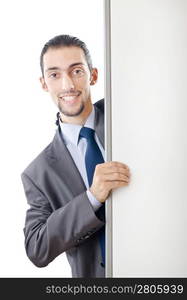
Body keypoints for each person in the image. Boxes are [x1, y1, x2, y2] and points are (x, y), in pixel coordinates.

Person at [21, 34, 131, 278]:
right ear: (43, 83)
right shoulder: (38, 174)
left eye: (77, 71)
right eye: (54, 74)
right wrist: (91, 198)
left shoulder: (128, 112)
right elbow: (36, 248)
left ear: (93, 75)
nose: (67, 85)